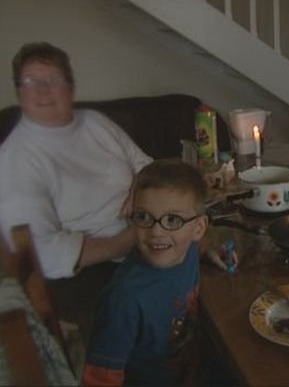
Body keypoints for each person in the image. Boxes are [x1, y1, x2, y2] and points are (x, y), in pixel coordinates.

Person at [0, 42, 153, 338]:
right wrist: (125, 241)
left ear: (70, 86)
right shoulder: (14, 160)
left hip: (145, 231)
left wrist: (138, 189)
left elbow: (145, 164)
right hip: (92, 268)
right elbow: (40, 251)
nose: (43, 91)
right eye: (31, 82)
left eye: (53, 80)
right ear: (19, 91)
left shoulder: (93, 122)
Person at [82, 159, 210, 385]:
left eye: (173, 219)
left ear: (198, 229)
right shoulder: (123, 301)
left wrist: (210, 251)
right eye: (143, 217)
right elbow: (99, 379)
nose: (156, 232)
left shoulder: (188, 249)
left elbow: (195, 246)